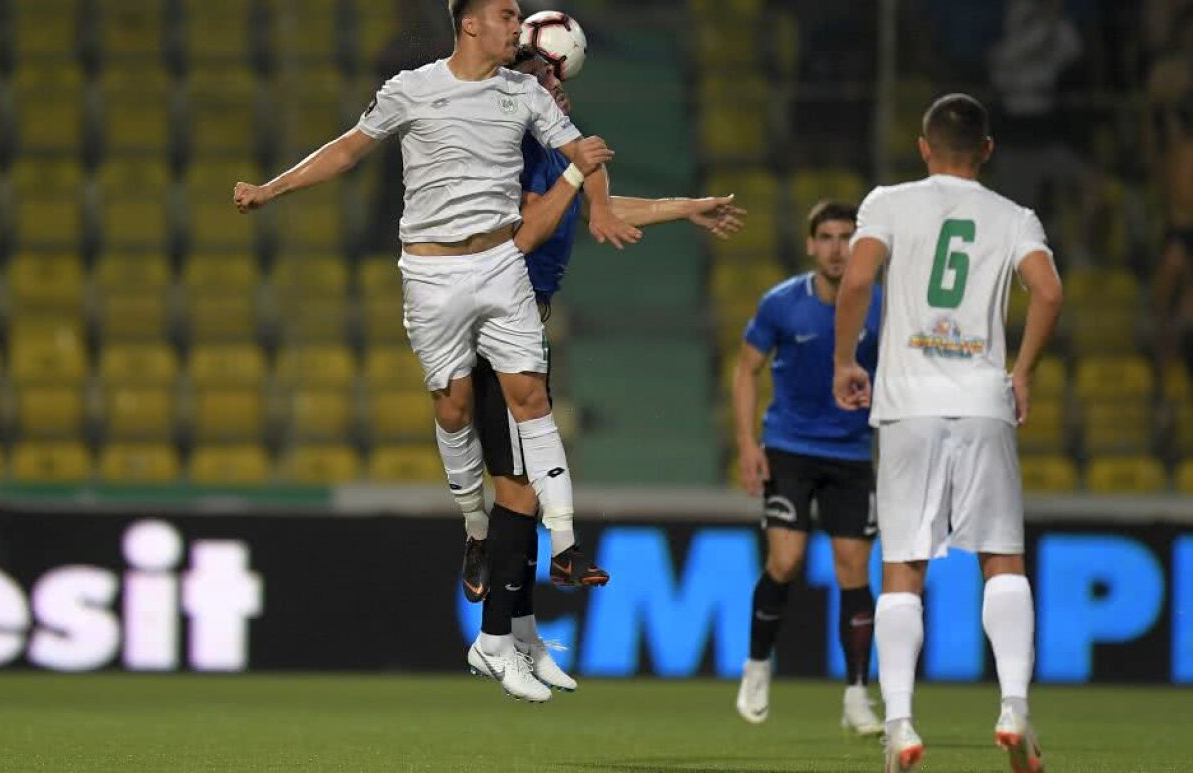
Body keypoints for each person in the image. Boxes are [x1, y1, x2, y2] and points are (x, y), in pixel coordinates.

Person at [232, 0, 641, 704]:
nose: (517, 24)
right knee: (453, 411)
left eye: (521, 16)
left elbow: (580, 149)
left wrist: (596, 190)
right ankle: (484, 551)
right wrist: (274, 188)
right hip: (431, 273)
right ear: (471, 23)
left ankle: (543, 579)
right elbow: (348, 148)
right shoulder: (412, 89)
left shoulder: (523, 93)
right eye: (507, 14)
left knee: (529, 418)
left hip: (501, 269)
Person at [463, 49, 747, 695]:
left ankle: (523, 634)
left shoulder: (542, 154)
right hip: (497, 324)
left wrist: (683, 207)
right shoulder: (508, 153)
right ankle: (493, 637)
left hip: (524, 326)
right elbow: (527, 235)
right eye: (542, 79)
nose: (556, 87)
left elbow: (605, 210)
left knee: (527, 489)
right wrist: (574, 169)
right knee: (516, 491)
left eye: (558, 77)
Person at [833, 93, 1062, 772]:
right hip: (984, 400)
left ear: (924, 146)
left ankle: (900, 722)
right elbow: (1047, 292)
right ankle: (1014, 705)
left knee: (904, 564)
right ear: (986, 150)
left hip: (909, 404)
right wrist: (1022, 371)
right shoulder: (1013, 216)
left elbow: (858, 278)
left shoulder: (888, 203)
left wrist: (848, 358)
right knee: (1002, 559)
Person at [732, 201, 882, 736]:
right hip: (790, 447)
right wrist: (749, 444)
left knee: (853, 570)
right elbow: (746, 370)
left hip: (851, 452)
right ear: (811, 244)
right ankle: (756, 666)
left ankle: (858, 696)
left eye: (847, 237)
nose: (838, 247)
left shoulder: (880, 306)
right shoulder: (782, 304)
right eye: (828, 236)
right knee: (787, 559)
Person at [1147, 8, 1193, 374]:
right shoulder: (1176, 145)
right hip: (1179, 227)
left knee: (1184, 310)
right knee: (1164, 307)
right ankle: (1164, 378)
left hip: (1185, 228)